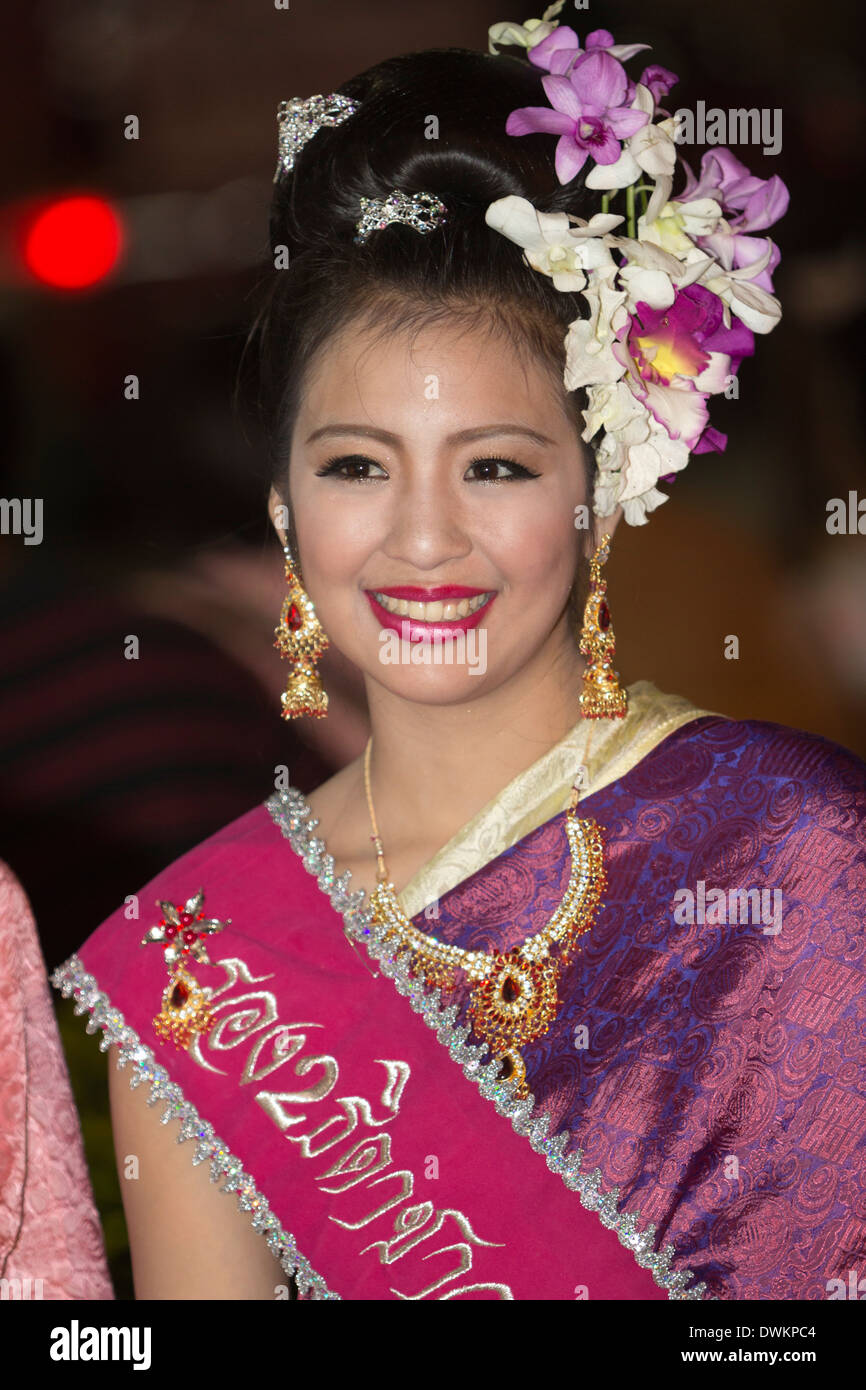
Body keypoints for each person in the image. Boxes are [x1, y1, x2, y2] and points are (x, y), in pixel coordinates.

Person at [50, 9, 866, 1301]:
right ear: (283, 512)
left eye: (493, 465)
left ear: (597, 494)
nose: (421, 537)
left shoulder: (799, 845)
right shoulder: (198, 964)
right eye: (356, 467)